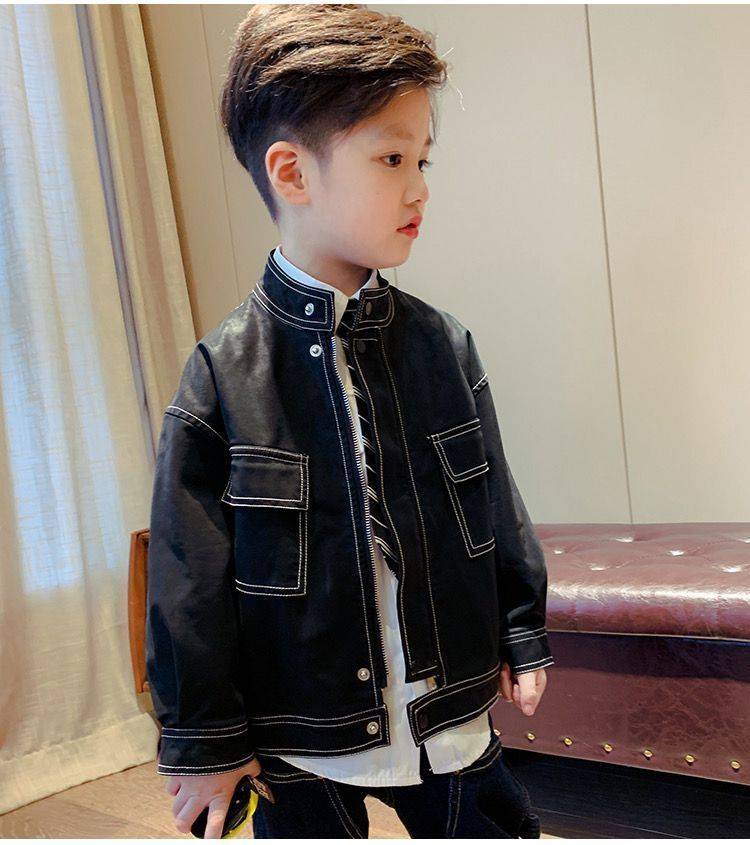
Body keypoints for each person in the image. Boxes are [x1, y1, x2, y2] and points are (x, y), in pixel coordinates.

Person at [146, 4, 554, 839]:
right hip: (300, 734)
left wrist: (521, 629)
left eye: (423, 158)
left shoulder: (444, 346)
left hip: (447, 713)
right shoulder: (222, 375)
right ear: (292, 173)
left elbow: (495, 508)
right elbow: (189, 583)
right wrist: (205, 740)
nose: (420, 186)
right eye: (392, 158)